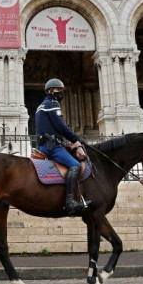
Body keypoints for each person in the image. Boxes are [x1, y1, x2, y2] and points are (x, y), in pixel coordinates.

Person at [35, 78, 90, 215]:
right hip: (52, 147)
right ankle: (70, 202)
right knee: (75, 165)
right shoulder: (52, 103)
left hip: (47, 144)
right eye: (58, 90)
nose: (61, 92)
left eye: (62, 90)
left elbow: (53, 127)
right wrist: (76, 140)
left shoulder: (42, 105)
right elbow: (61, 126)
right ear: (50, 91)